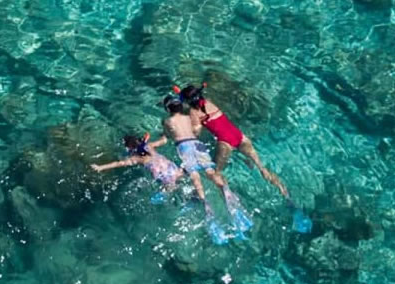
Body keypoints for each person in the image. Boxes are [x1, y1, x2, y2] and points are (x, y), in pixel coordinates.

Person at [161, 94, 252, 243]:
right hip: (198, 146)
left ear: (167, 109)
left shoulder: (167, 121)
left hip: (184, 148)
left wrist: (153, 143)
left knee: (196, 178)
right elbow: (196, 130)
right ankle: (227, 193)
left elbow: (166, 138)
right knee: (211, 173)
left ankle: (207, 208)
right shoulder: (188, 117)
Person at [178, 83, 289, 199]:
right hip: (240, 136)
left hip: (225, 142)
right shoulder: (209, 102)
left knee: (216, 173)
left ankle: (228, 196)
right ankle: (283, 191)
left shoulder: (193, 112)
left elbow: (196, 131)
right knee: (262, 168)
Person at [90, 133, 185, 201]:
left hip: (162, 174)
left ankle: (169, 192)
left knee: (169, 188)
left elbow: (118, 163)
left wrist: (100, 167)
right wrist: (164, 133)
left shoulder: (136, 158)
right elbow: (163, 141)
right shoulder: (149, 146)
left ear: (130, 148)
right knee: (180, 176)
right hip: (172, 168)